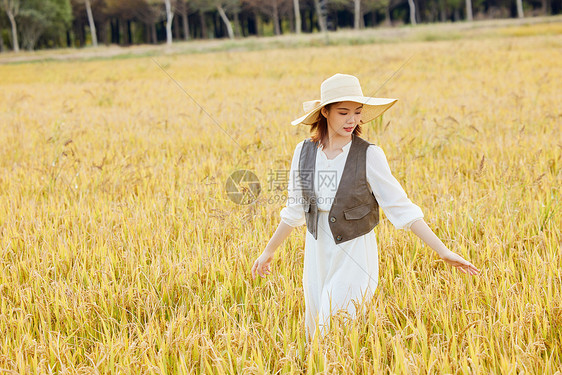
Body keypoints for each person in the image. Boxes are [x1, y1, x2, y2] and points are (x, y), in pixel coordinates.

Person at [251, 73, 479, 341]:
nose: (352, 120)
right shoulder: (303, 152)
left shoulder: (369, 155)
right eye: (344, 112)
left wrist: (443, 251)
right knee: (315, 330)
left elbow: (401, 208)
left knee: (333, 328)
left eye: (357, 113)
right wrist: (268, 251)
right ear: (325, 112)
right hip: (316, 251)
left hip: (355, 251)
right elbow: (295, 210)